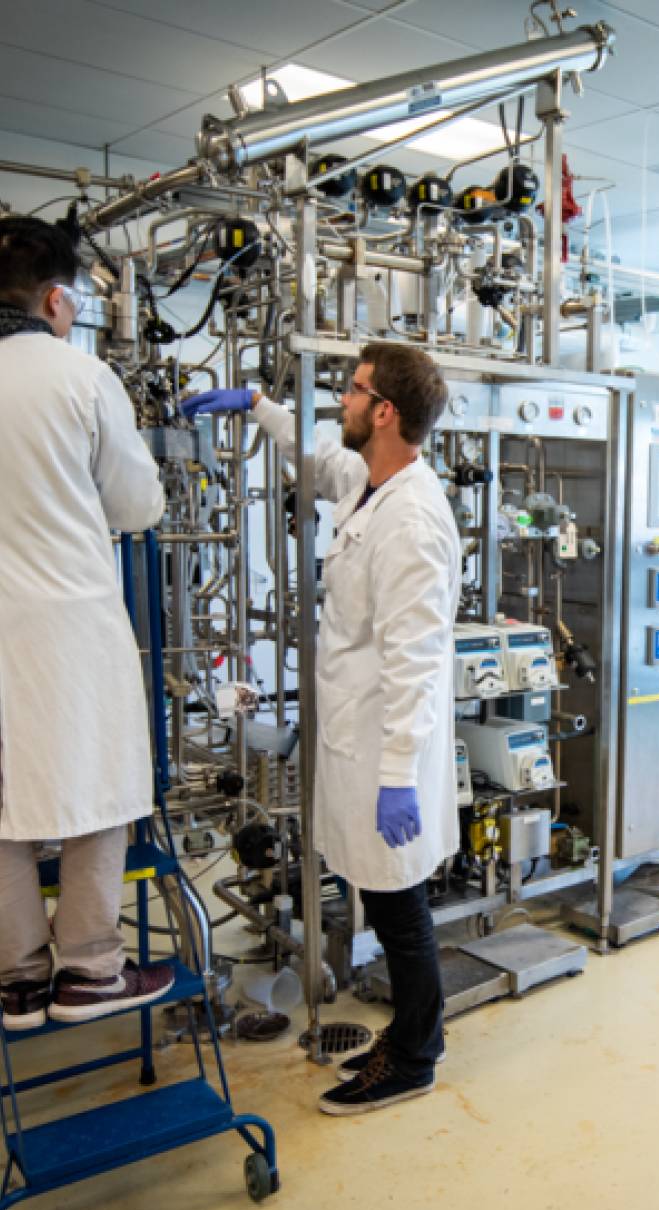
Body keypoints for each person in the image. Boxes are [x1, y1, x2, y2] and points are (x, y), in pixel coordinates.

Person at [183, 342, 460, 1116]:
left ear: (385, 412)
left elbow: (415, 662)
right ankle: (410, 1039)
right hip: (355, 736)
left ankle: (416, 1056)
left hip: (384, 747)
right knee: (384, 899)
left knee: (399, 909)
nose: (341, 398)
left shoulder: (411, 518)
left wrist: (400, 773)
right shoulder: (372, 487)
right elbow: (316, 461)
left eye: (355, 388)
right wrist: (256, 407)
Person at [0, 217, 173, 1029]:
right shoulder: (77, 376)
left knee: (2, 798)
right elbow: (138, 504)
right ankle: (92, 969)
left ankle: (18, 978)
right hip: (71, 621)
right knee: (100, 781)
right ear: (58, 299)